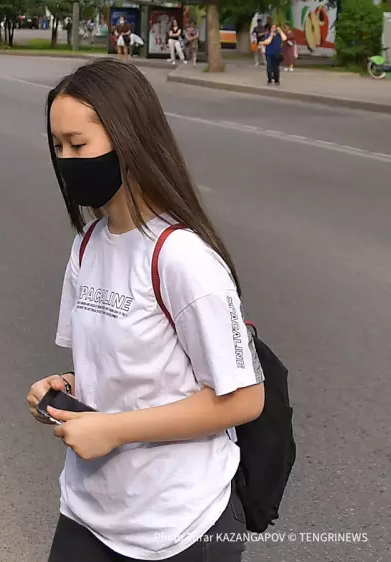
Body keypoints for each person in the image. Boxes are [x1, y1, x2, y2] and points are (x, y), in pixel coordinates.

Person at [31, 59, 265, 562]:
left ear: (129, 141)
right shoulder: (88, 246)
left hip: (178, 526)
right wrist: (66, 386)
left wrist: (112, 429)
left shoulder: (182, 258)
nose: (66, 160)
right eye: (57, 146)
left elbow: (244, 399)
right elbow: (122, 367)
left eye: (78, 145)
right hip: (88, 512)